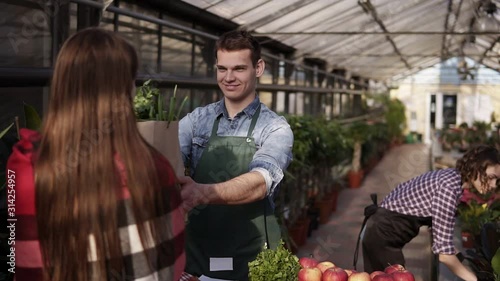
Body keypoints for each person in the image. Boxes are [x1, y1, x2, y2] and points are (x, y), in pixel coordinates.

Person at [7, 28, 185, 281]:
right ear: (125, 90)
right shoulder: (153, 169)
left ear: (61, 85)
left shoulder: (26, 165)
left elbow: (22, 266)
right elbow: (170, 270)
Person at [178, 30, 294, 281]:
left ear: (258, 67)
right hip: (199, 257)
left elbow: (261, 181)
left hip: (252, 258)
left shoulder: (275, 128)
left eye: (239, 68)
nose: (228, 77)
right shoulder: (196, 121)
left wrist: (200, 193)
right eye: (222, 68)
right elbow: (169, 158)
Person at [362, 144, 500, 281]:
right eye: (491, 176)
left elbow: (441, 235)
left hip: (379, 229)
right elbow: (444, 255)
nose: (494, 185)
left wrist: (460, 258)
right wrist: (474, 279)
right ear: (477, 167)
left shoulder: (453, 178)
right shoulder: (449, 188)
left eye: (497, 180)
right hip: (382, 236)